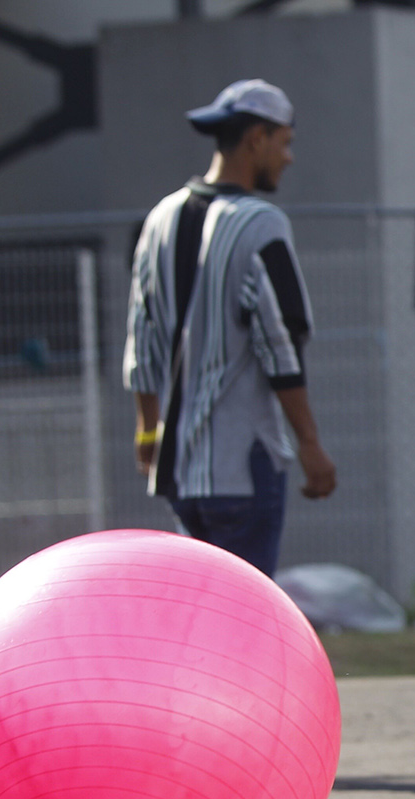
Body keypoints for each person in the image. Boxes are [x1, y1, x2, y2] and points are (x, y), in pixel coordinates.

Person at [123, 79, 336, 577]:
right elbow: (280, 341)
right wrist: (309, 442)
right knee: (244, 622)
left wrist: (148, 429)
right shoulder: (260, 222)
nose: (289, 159)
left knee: (200, 624)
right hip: (242, 467)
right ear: (256, 139)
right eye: (285, 143)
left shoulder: (160, 218)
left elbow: (142, 336)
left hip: (178, 473)